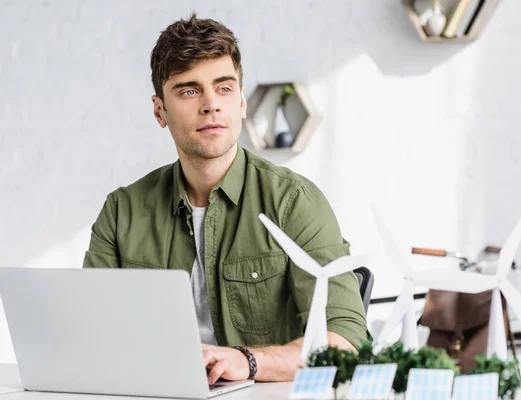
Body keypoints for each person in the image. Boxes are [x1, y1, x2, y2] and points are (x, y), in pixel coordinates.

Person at [83, 14, 368, 384]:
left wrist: (247, 361)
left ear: (242, 102)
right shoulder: (122, 212)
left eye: (224, 88)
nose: (210, 105)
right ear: (159, 111)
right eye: (189, 91)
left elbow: (346, 341)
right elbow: (89, 336)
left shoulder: (294, 201)